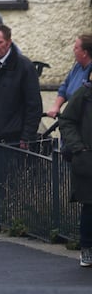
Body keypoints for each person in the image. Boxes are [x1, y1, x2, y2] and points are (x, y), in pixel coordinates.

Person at [0, 24, 43, 149]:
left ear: (8, 42)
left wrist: (27, 136)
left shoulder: (24, 66)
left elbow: (33, 104)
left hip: (14, 139)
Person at [55, 77, 92, 268]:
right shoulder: (84, 94)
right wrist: (78, 148)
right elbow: (67, 120)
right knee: (90, 205)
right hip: (87, 159)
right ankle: (87, 248)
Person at [47, 34, 92, 119]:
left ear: (85, 53)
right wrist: (56, 106)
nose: (73, 50)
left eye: (76, 48)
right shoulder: (77, 66)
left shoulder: (90, 73)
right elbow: (65, 86)